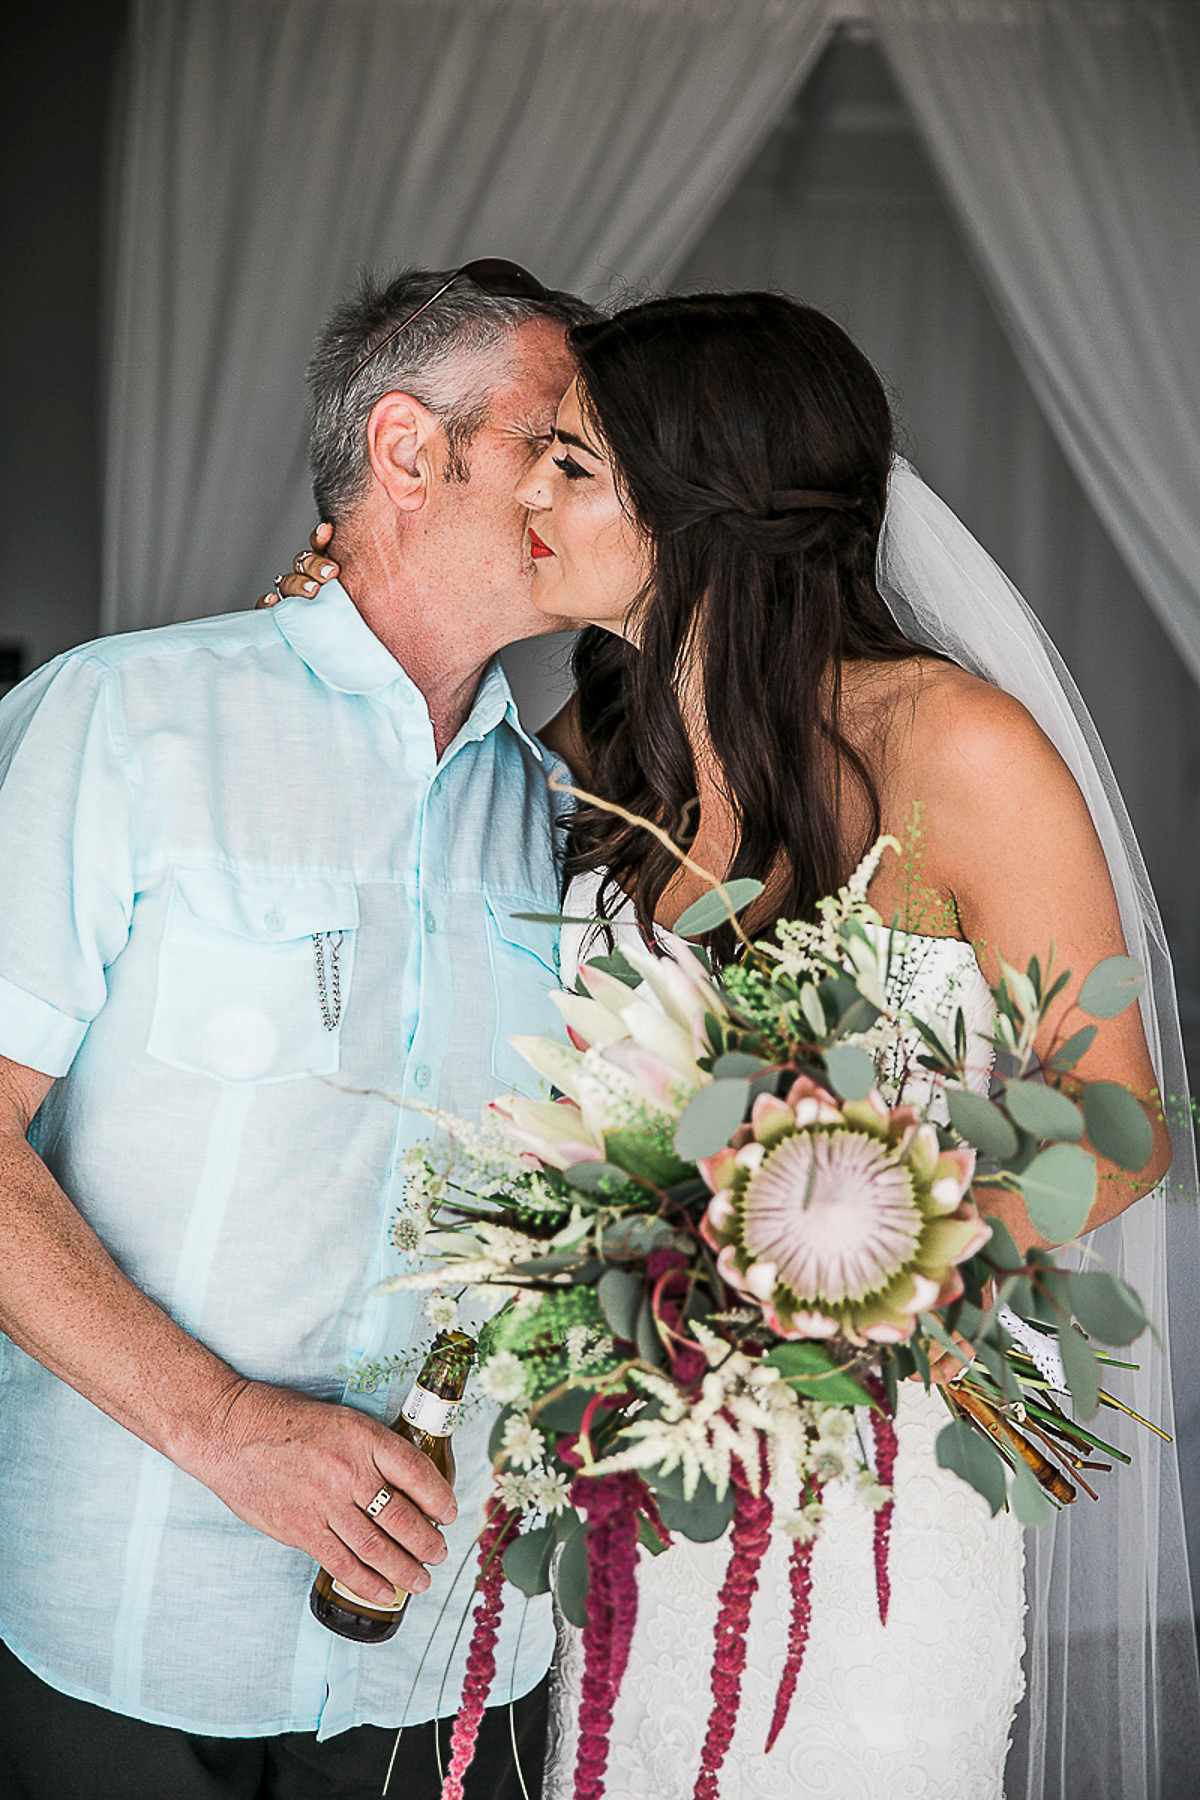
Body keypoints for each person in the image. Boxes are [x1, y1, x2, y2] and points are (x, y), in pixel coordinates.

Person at [276, 292, 1200, 1798]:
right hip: (652, 1491)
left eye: (572, 465)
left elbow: (1120, 1125)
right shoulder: (603, 747)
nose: (530, 493)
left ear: (701, 500)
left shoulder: (952, 749)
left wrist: (823, 1254)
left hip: (875, 1483)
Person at [0, 263, 597, 1800]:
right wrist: (227, 1430)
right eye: (557, 445)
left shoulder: (569, 824)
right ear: (410, 450)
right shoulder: (121, 724)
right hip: (125, 1633)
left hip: (458, 1665)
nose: (588, 491)